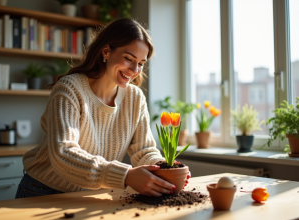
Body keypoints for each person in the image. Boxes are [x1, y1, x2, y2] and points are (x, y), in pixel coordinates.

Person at [15, 18, 190, 199]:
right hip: (43, 191)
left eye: (141, 63)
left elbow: (143, 150)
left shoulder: (135, 98)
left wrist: (165, 167)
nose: (135, 69)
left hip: (93, 194)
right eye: (129, 59)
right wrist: (125, 175)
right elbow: (63, 153)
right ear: (106, 51)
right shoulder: (69, 89)